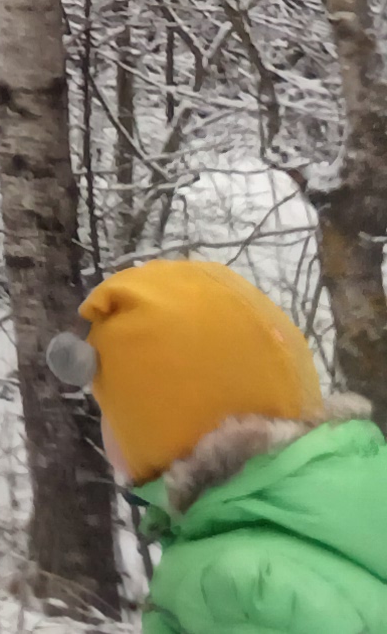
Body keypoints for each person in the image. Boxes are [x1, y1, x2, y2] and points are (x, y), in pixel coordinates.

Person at [70, 260, 387, 631]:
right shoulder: (345, 501)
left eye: (110, 412)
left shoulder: (234, 587)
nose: (104, 430)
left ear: (162, 424)